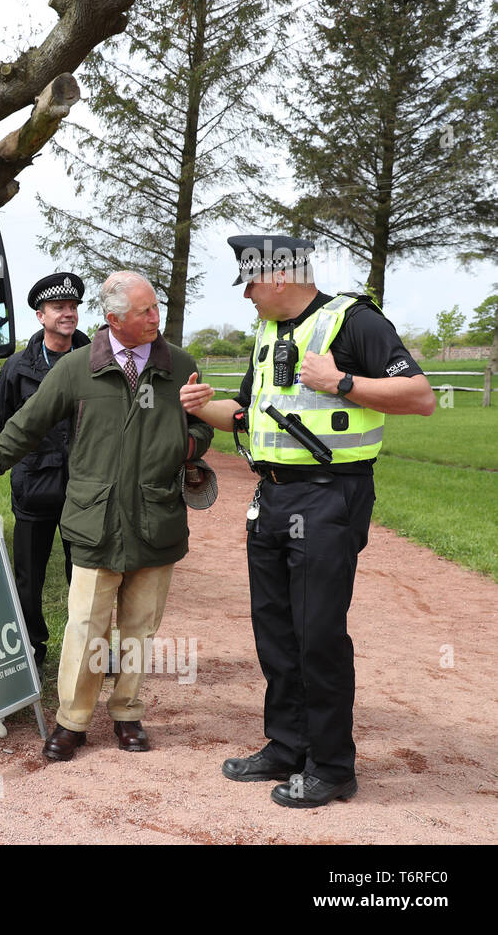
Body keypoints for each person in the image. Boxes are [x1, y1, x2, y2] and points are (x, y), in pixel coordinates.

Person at [179, 234, 435, 808]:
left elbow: (420, 396)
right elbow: (245, 415)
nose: (245, 295)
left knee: (316, 632)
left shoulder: (354, 321)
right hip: (270, 498)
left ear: (276, 278)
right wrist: (200, 406)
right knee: (274, 629)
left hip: (328, 498)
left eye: (249, 283)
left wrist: (341, 382)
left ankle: (332, 766)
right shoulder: (268, 334)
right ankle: (287, 746)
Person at [0, 272, 213, 761]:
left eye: (156, 308)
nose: (156, 318)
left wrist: (189, 440)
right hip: (95, 521)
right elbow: (25, 425)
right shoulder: (75, 369)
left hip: (157, 518)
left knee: (140, 627)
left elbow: (200, 426)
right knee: (85, 627)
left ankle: (128, 713)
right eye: (145, 312)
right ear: (114, 320)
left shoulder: (180, 365)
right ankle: (72, 721)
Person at [0, 272, 91, 672]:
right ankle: (31, 648)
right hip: (35, 485)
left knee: (86, 576)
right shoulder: (17, 367)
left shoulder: (97, 359)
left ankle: (84, 650)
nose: (67, 314)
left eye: (72, 307)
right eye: (58, 308)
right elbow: (6, 423)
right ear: (40, 316)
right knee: (28, 578)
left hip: (87, 488)